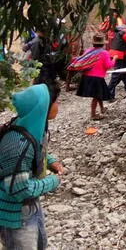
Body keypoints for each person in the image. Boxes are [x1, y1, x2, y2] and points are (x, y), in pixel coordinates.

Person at [0, 82, 65, 248]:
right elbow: (20, 190)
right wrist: (53, 181)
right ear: (44, 106)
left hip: (30, 205)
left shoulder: (28, 127)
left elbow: (37, 149)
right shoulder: (18, 144)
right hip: (17, 212)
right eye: (56, 102)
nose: (58, 106)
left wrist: (51, 162)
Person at [76, 34, 115, 120]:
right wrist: (114, 59)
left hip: (87, 76)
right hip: (97, 77)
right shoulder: (104, 53)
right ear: (103, 44)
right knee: (97, 95)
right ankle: (93, 114)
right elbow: (108, 65)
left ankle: (102, 109)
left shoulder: (88, 51)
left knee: (98, 94)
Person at [107, 18, 126, 101]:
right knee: (117, 74)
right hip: (119, 55)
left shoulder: (120, 30)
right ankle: (109, 94)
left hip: (114, 53)